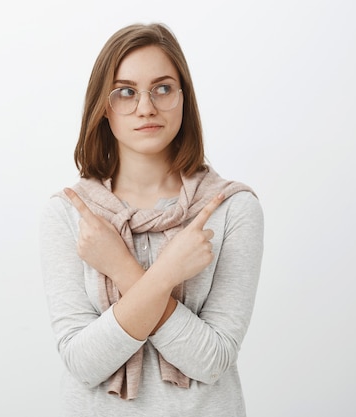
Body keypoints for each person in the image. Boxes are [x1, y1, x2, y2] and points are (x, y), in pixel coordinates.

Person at [39, 22, 264, 417]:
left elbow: (211, 361)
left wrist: (122, 269)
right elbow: (84, 363)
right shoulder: (71, 213)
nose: (146, 107)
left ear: (183, 98)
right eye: (126, 92)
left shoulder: (232, 207)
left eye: (162, 88)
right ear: (103, 107)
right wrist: (165, 275)